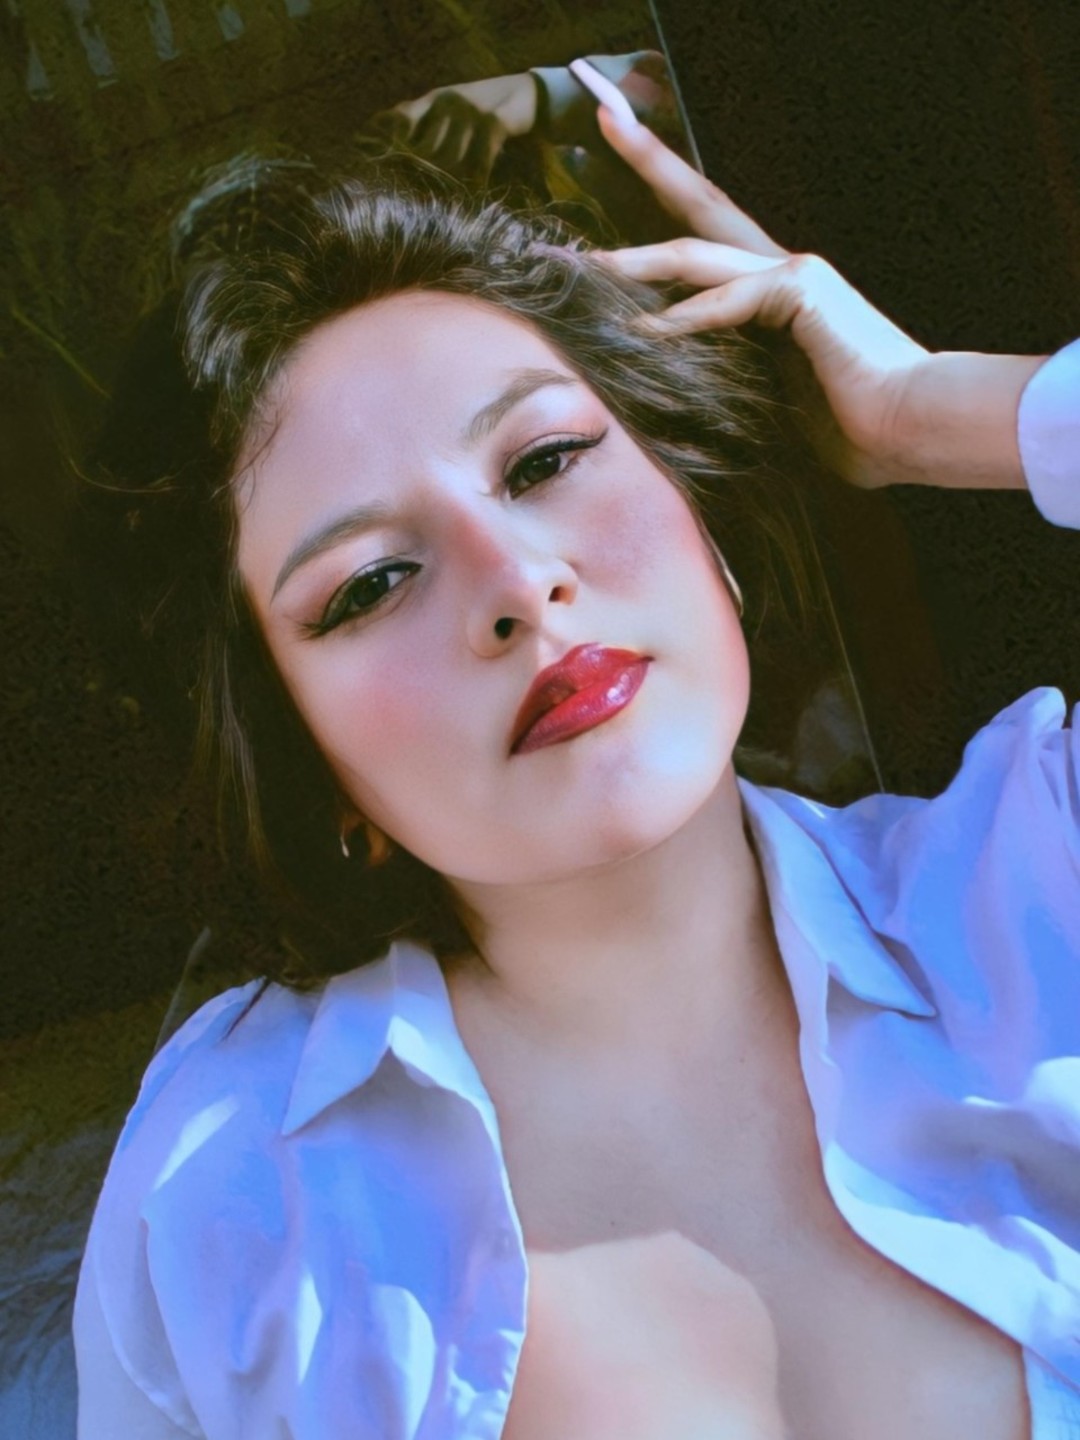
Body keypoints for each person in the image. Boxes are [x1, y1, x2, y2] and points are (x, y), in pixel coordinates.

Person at [72, 58, 1079, 1440]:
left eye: (545, 462)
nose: (517, 583)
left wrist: (932, 410)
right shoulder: (235, 1190)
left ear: (697, 505)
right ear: (297, 754)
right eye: (371, 584)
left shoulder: (1041, 878)